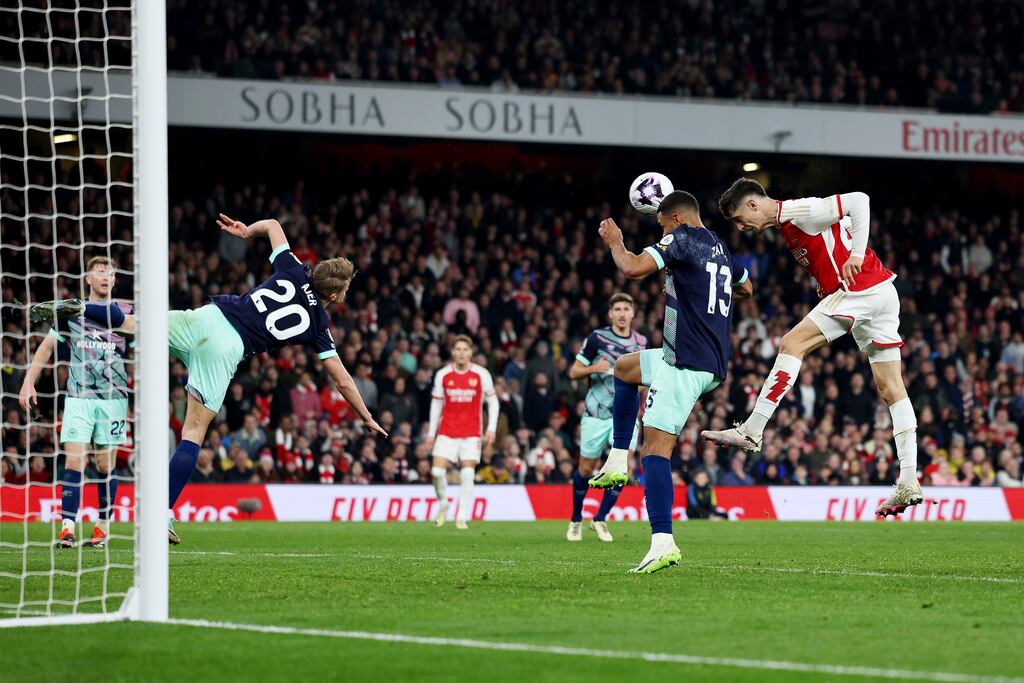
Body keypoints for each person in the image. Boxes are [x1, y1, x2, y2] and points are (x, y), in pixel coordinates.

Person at [33, 215, 387, 545]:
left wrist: (247, 231)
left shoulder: (293, 269)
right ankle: (159, 513)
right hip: (228, 348)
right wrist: (366, 416)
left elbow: (274, 225)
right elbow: (341, 380)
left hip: (210, 316)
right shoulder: (318, 325)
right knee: (193, 433)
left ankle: (81, 308)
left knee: (133, 323)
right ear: (333, 295)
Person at [702, 179, 922, 519]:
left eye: (739, 219)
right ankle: (909, 479)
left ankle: (752, 430)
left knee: (792, 343)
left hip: (860, 290)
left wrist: (857, 256)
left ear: (753, 205)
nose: (742, 228)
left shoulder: (797, 210)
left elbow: (859, 200)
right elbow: (844, 225)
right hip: (879, 293)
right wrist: (830, 276)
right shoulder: (790, 226)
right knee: (891, 388)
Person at [588, 190, 752, 573]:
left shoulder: (680, 238)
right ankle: (616, 459)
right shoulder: (720, 247)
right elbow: (746, 287)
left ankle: (663, 542)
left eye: (661, 225)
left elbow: (632, 268)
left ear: (676, 219)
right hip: (697, 359)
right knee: (625, 368)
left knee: (656, 453)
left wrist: (616, 243)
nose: (660, 231)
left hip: (685, 362)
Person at [20, 256, 132, 549]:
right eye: (100, 272)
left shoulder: (126, 312)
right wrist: (28, 381)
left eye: (110, 272)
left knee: (104, 463)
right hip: (78, 397)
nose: (106, 276)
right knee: (74, 460)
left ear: (115, 279)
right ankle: (67, 528)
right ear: (88, 279)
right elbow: (47, 347)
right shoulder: (71, 311)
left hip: (113, 398)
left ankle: (102, 528)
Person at [565, 293, 647, 543]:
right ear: (610, 313)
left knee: (622, 469)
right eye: (617, 309)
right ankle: (576, 519)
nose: (622, 313)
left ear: (633, 313)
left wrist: (642, 393)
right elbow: (574, 371)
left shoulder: (641, 342)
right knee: (585, 469)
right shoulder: (597, 338)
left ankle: (600, 518)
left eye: (626, 309)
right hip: (596, 413)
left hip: (626, 414)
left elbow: (644, 377)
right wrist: (594, 368)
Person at [424, 336, 498, 529]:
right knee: (437, 472)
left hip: (471, 432)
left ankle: (462, 515)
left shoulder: (482, 374)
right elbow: (436, 404)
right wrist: (431, 434)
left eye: (465, 349)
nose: (461, 353)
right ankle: (443, 503)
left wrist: (491, 428)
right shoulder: (443, 375)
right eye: (458, 349)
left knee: (467, 474)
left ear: (471, 352)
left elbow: (493, 401)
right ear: (452, 352)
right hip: (447, 431)